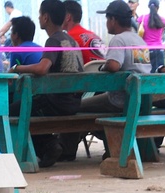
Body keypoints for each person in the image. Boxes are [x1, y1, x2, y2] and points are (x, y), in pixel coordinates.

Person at [9, 0, 83, 168]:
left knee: (13, 110)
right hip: (74, 102)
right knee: (27, 106)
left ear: (46, 17)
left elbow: (43, 68)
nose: (39, 17)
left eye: (40, 14)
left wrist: (17, 68)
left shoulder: (53, 41)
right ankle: (49, 144)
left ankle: (48, 145)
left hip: (56, 103)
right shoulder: (71, 40)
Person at [81, 0, 151, 114]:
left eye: (107, 19)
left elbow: (114, 65)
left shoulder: (119, 39)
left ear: (113, 20)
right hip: (142, 99)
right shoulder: (139, 40)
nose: (106, 22)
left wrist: (103, 67)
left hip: (121, 101)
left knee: (79, 106)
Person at [63, 1, 107, 65]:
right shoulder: (93, 35)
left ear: (68, 17)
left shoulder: (68, 38)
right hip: (104, 73)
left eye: (59, 14)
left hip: (89, 74)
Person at [139, 0, 165, 72]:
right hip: (159, 49)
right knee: (160, 74)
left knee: (144, 73)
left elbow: (140, 32)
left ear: (148, 7)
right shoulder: (163, 20)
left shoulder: (142, 18)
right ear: (158, 7)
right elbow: (161, 35)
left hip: (145, 50)